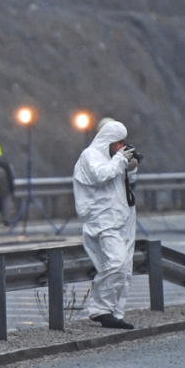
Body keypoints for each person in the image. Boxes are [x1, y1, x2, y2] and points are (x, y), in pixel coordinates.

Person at [73, 120, 140, 329]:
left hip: (122, 218)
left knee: (125, 269)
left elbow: (120, 182)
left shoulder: (114, 159)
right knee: (117, 263)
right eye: (117, 143)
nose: (121, 147)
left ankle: (115, 313)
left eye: (123, 144)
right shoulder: (90, 156)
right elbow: (100, 176)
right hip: (102, 222)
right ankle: (100, 309)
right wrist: (120, 160)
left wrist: (131, 168)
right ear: (108, 141)